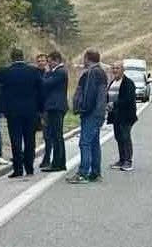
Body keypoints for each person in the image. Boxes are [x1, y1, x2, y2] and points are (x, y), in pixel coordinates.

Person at [0, 49, 44, 177]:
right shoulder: (33, 71)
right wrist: (40, 109)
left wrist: (2, 108)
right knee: (30, 139)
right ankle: (29, 167)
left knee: (15, 139)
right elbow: (40, 91)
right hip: (30, 110)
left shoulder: (5, 71)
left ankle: (18, 169)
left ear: (11, 58)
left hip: (13, 111)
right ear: (23, 57)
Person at [68, 48, 109, 184]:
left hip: (91, 113)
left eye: (84, 58)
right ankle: (95, 173)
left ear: (87, 58)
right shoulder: (100, 72)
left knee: (85, 143)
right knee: (94, 143)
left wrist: (85, 109)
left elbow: (93, 95)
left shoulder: (93, 73)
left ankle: (83, 173)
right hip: (96, 113)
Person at [39, 51, 69, 172]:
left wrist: (46, 73)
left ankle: (57, 163)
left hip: (56, 106)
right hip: (54, 106)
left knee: (56, 136)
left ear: (56, 60)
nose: (48, 64)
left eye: (50, 61)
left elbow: (46, 84)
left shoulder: (60, 72)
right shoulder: (57, 72)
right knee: (56, 136)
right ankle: (60, 162)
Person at [107, 61, 139, 172]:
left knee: (125, 137)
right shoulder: (113, 82)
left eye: (117, 68)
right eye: (113, 68)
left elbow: (128, 99)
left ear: (123, 70)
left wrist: (114, 104)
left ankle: (128, 161)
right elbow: (109, 96)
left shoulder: (128, 83)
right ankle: (121, 160)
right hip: (115, 115)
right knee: (118, 137)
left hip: (126, 116)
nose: (115, 70)